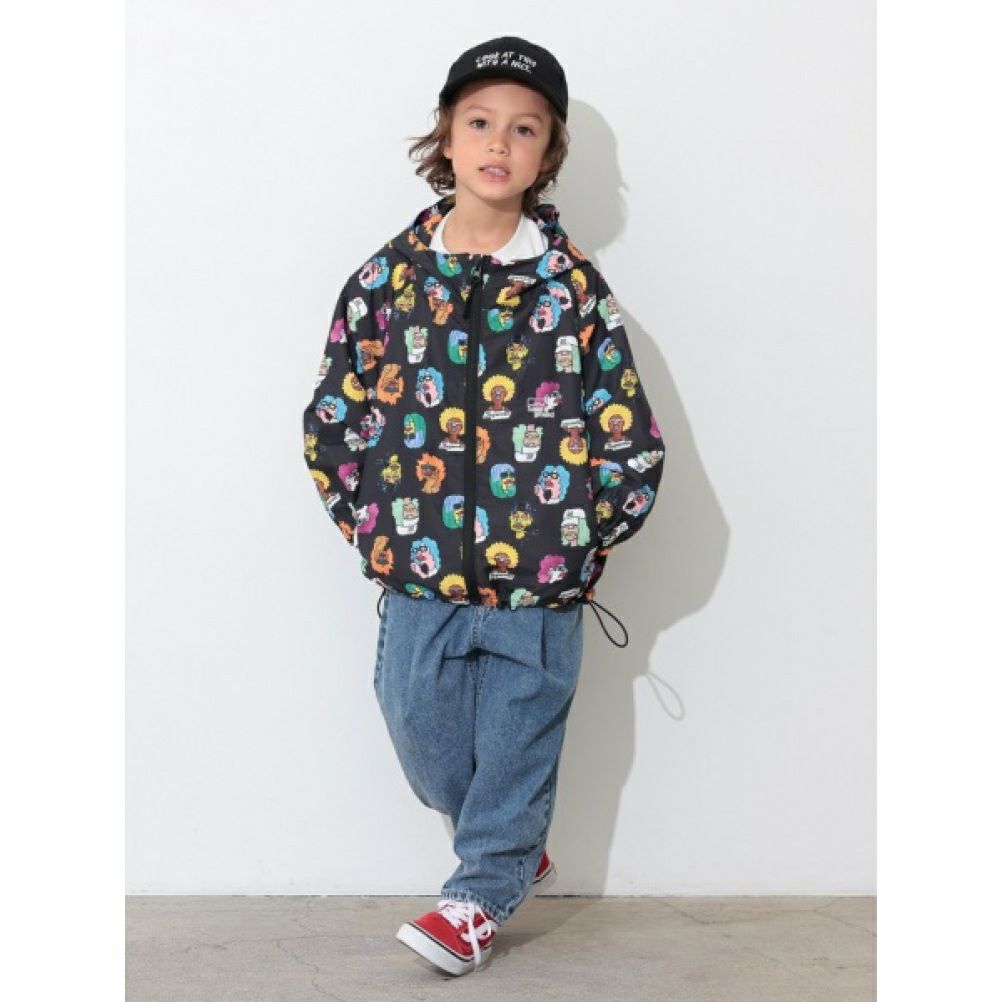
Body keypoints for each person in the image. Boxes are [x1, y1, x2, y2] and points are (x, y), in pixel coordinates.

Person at [301, 36, 666, 977]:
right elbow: (336, 414)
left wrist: (586, 539)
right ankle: (510, 843)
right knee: (418, 733)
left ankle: (480, 893)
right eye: (480, 121)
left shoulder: (572, 290)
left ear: (549, 153)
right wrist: (373, 527)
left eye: (525, 128)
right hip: (417, 569)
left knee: (517, 741)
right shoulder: (386, 281)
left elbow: (627, 427)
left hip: (538, 580)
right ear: (446, 135)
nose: (499, 142)